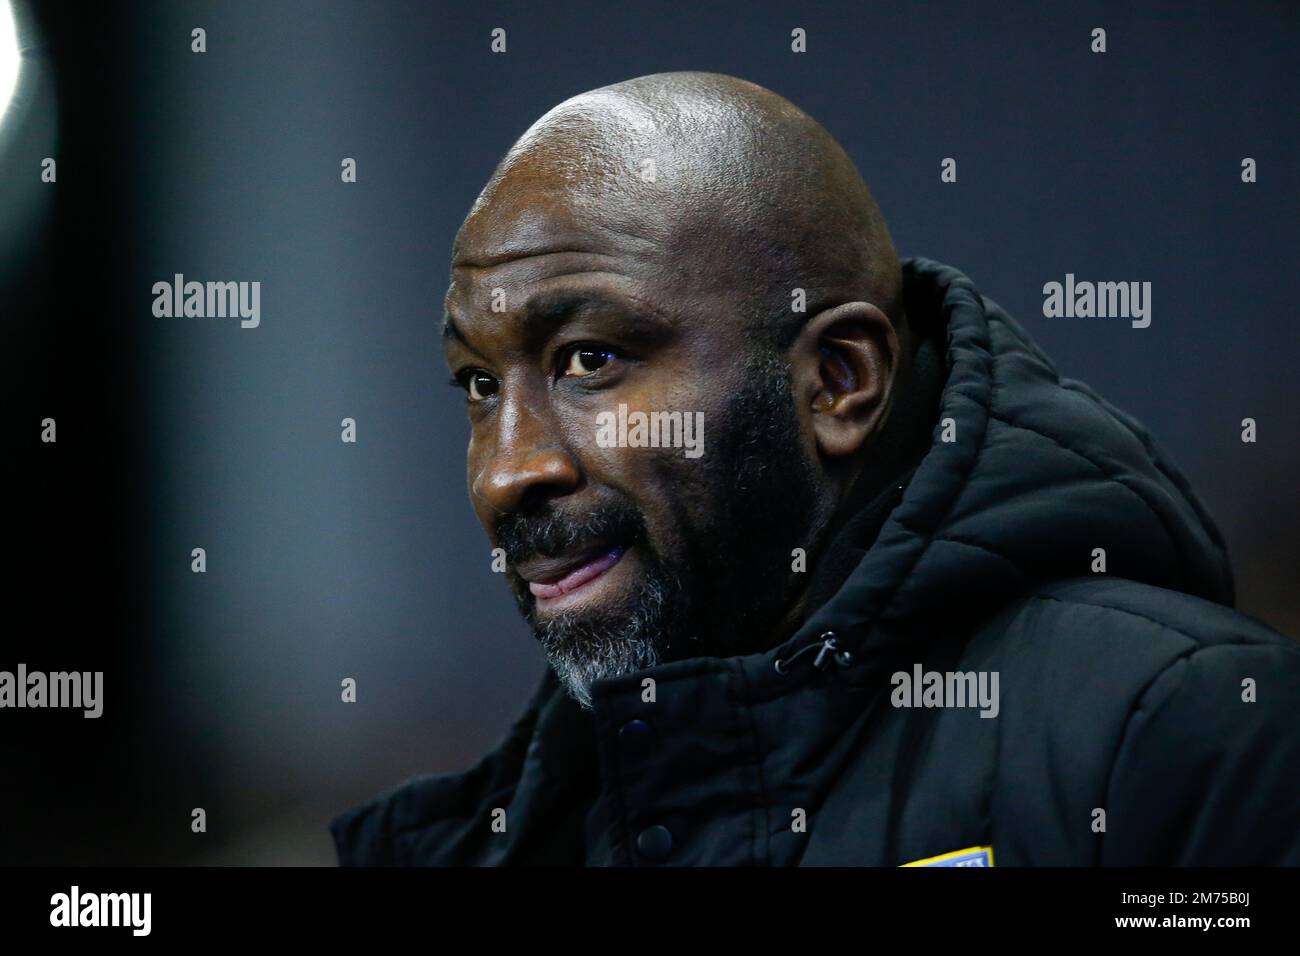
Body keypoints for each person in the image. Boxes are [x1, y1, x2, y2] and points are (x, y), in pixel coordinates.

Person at [331, 72, 1300, 866]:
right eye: (476, 385)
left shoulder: (1182, 738)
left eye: (589, 359)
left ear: (838, 382)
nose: (506, 474)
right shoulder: (498, 839)